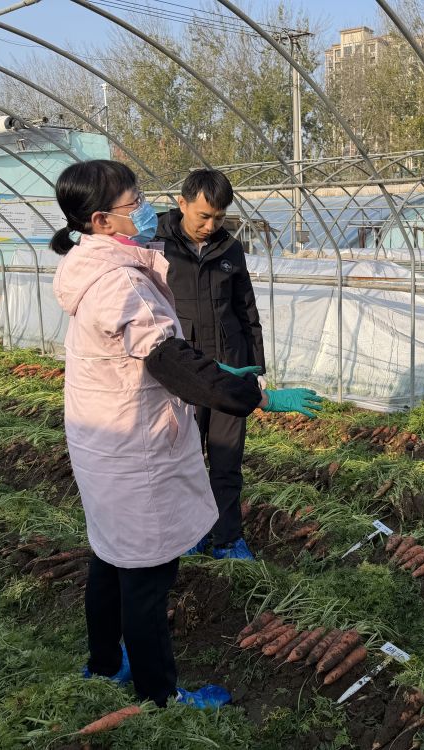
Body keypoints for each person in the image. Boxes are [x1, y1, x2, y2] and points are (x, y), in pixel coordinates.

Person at [50, 159, 322, 709]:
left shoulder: (89, 265)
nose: (145, 209)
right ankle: (160, 696)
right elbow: (168, 360)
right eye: (134, 202)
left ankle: (105, 664)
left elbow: (146, 353)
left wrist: (223, 370)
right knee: (146, 578)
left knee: (110, 556)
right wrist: (259, 397)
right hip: (134, 449)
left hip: (103, 443)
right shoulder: (121, 282)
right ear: (102, 220)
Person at [155, 169, 264, 561]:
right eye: (203, 216)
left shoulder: (230, 249)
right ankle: (190, 533)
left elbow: (246, 310)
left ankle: (227, 539)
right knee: (184, 459)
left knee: (227, 460)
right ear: (182, 203)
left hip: (229, 369)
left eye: (219, 217)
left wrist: (255, 370)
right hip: (184, 371)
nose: (210, 225)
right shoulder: (155, 245)